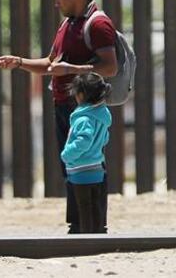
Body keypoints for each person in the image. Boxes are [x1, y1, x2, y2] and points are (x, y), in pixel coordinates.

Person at [0, 0, 117, 233]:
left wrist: (73, 69)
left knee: (91, 163)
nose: (56, 3)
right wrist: (19, 62)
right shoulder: (67, 24)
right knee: (71, 166)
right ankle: (78, 224)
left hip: (84, 107)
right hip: (64, 105)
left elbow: (110, 67)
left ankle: (95, 225)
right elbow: (52, 65)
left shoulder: (97, 24)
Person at [60, 72, 113, 234]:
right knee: (95, 204)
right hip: (97, 167)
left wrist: (66, 154)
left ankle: (86, 238)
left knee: (84, 206)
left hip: (81, 169)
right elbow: (105, 139)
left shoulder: (83, 119)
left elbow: (83, 140)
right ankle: (97, 235)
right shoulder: (101, 116)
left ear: (81, 95)